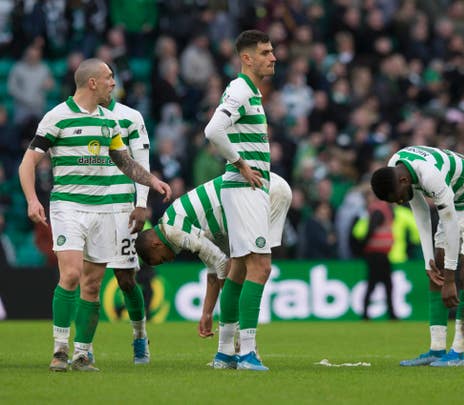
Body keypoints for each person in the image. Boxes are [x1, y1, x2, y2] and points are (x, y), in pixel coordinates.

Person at [18, 58, 172, 372]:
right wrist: (32, 200)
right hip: (69, 207)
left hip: (105, 211)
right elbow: (27, 163)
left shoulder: (110, 121)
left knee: (92, 284)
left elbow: (123, 160)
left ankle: (82, 353)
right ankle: (60, 349)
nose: (113, 83)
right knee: (71, 274)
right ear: (92, 83)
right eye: (109, 78)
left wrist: (151, 181)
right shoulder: (57, 117)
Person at [370, 145, 464, 367]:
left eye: (399, 198)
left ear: (403, 181)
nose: (400, 201)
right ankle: (436, 349)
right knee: (437, 269)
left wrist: (451, 280)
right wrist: (427, 261)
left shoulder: (430, 175)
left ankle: (458, 353)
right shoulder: (397, 167)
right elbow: (421, 214)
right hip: (456, 200)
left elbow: (450, 224)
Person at [134, 172, 291, 342]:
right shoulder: (178, 222)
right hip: (268, 187)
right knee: (246, 266)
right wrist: (207, 313)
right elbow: (214, 269)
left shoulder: (175, 231)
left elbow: (221, 263)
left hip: (264, 191)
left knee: (254, 268)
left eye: (162, 259)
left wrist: (227, 313)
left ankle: (242, 345)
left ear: (155, 244)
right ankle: (236, 345)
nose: (170, 260)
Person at [202, 29, 276, 371]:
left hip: (247, 189)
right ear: (246, 58)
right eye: (264, 52)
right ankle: (246, 352)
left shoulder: (251, 92)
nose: (272, 57)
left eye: (271, 51)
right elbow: (212, 130)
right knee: (260, 267)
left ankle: (225, 353)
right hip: (244, 188)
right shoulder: (241, 89)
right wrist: (241, 164)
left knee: (239, 269)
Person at [101, 97, 152, 364]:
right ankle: (82, 349)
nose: (111, 83)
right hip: (87, 205)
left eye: (113, 78)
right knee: (87, 277)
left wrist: (141, 203)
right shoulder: (72, 114)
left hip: (122, 206)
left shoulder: (131, 116)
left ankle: (140, 337)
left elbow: (141, 160)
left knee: (125, 278)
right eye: (107, 78)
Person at [352, 190, 397, 320]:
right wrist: (363, 246)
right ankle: (386, 313)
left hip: (378, 254)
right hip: (377, 254)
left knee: (378, 284)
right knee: (382, 284)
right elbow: (371, 229)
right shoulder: (379, 210)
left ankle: (369, 313)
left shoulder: (377, 210)